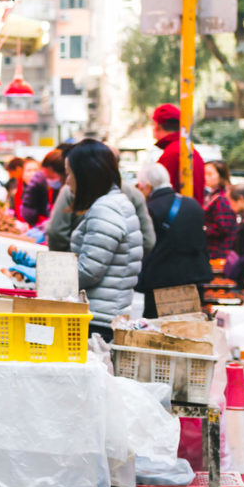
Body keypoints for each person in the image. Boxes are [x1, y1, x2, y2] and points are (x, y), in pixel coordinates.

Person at [67, 139, 144, 339]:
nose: (67, 182)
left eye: (70, 174)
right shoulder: (116, 202)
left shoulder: (105, 208)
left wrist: (52, 277)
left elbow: (89, 270)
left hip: (99, 320)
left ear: (85, 175)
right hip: (107, 313)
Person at [135, 163, 213, 318]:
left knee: (159, 332)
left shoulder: (149, 208)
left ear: (147, 186)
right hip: (192, 279)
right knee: (188, 328)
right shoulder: (193, 204)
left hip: (161, 282)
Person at [47, 170, 155, 255]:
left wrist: (67, 261)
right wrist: (127, 261)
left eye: (69, 172)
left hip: (81, 274)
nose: (68, 180)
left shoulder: (72, 191)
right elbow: (148, 241)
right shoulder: (133, 194)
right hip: (125, 278)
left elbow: (56, 232)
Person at [151, 103, 206, 204]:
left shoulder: (172, 153)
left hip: (179, 217)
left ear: (157, 126)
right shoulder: (188, 150)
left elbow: (161, 194)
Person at [202, 160, 237, 262]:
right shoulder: (213, 194)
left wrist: (202, 229)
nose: (205, 177)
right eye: (204, 173)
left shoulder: (222, 198)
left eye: (209, 174)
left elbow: (222, 228)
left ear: (221, 176)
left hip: (218, 253)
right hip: (214, 251)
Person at [21, 150, 65, 227]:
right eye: (28, 170)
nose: (32, 173)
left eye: (50, 177)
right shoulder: (39, 184)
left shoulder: (66, 191)